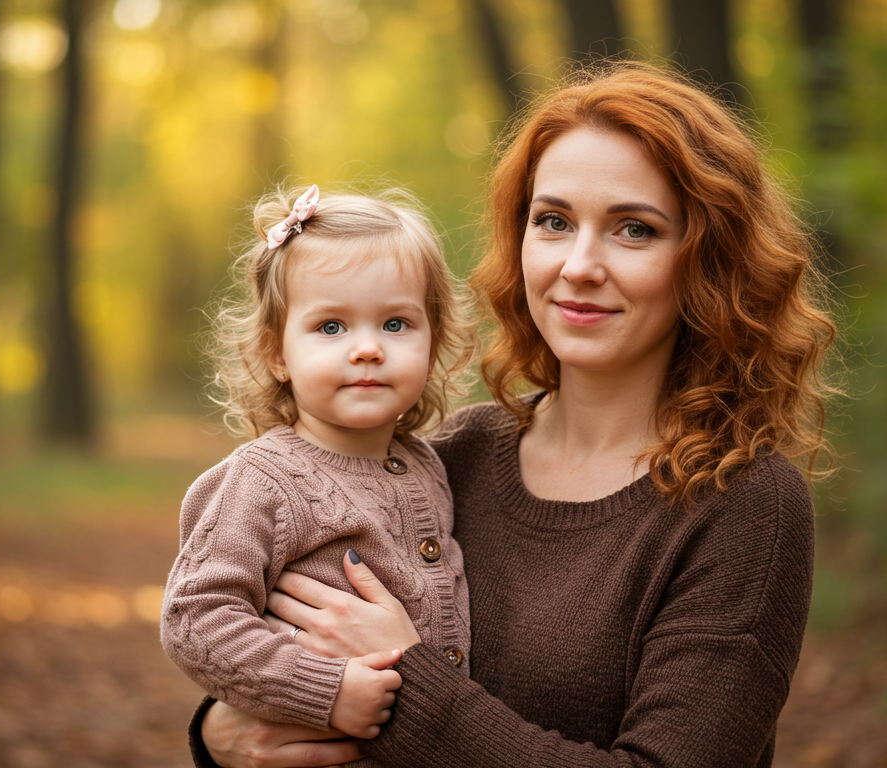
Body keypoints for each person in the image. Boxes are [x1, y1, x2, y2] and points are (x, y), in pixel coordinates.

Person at [190, 61, 841, 768]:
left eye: (634, 230)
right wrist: (221, 736)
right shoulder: (446, 458)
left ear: (707, 260)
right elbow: (267, 635)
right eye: (554, 221)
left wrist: (407, 685)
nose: (580, 265)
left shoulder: (742, 503)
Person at [160, 185, 476, 761]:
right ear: (277, 352)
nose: (367, 349)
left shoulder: (429, 464)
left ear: (433, 341)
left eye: (397, 324)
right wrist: (322, 692)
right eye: (331, 327)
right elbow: (195, 618)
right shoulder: (261, 481)